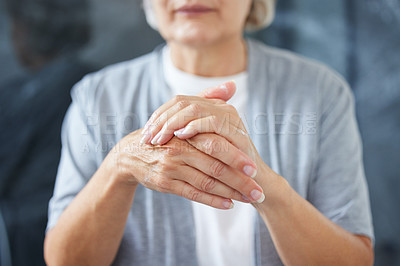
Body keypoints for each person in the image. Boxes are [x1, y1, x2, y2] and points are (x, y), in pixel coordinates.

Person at [44, 0, 374, 265]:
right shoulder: (97, 98)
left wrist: (262, 185)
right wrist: (119, 166)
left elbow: (354, 259)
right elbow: (65, 260)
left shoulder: (321, 92)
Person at [0, 0, 93, 265]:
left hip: (30, 237)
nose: (12, 35)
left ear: (31, 29)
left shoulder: (53, 88)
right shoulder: (92, 78)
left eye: (17, 26)